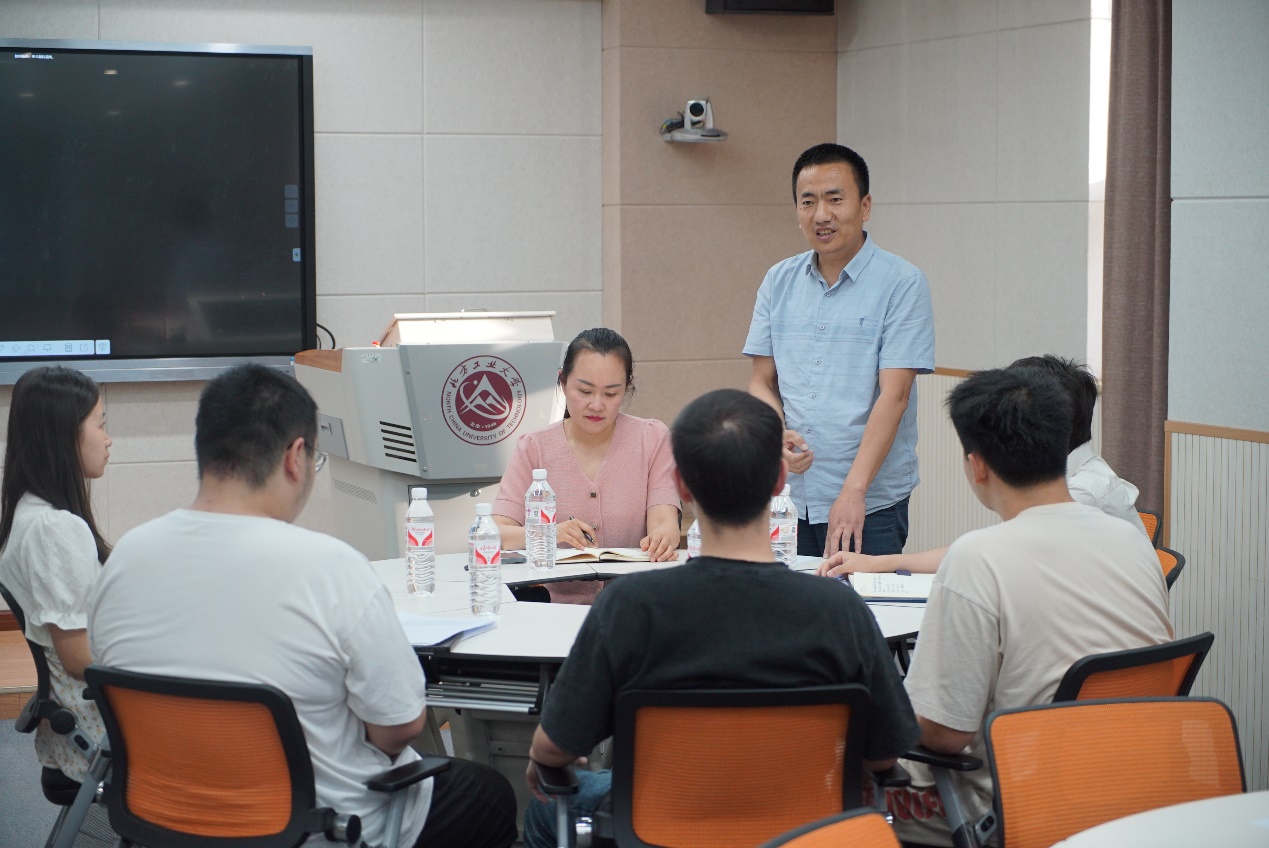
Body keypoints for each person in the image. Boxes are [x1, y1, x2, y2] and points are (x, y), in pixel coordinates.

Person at [89, 365, 516, 848]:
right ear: (295, 457)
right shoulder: (331, 567)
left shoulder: (125, 559)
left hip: (167, 823)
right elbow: (399, 729)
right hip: (314, 829)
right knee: (488, 794)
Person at [520, 389, 920, 848]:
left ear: (682, 486)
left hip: (663, 827)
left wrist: (540, 759)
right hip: (804, 828)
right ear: (779, 481)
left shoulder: (630, 606)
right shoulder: (841, 610)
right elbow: (884, 756)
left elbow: (556, 747)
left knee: (544, 810)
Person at [886, 366, 1172, 846]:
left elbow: (943, 734)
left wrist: (874, 704)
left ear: (977, 466)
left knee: (836, 788)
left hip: (1013, 802)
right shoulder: (1132, 539)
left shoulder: (978, 558)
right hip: (1133, 794)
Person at [745, 142, 934, 560]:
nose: (821, 215)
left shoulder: (902, 283)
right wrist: (775, 433)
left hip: (869, 502)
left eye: (835, 199)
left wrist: (853, 491)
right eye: (808, 201)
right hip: (789, 498)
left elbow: (895, 395)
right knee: (789, 601)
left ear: (865, 206)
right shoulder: (778, 280)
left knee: (861, 602)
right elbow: (760, 382)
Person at [821, 354, 1150, 576]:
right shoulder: (1072, 477)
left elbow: (984, 554)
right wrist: (881, 562)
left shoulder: (1080, 495)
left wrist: (881, 563)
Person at [0, 366, 111, 783]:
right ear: (65, 436)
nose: (108, 439)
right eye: (101, 425)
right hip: (97, 734)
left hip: (74, 727)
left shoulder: (27, 512)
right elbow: (79, 659)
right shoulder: (55, 528)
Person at [493, 327, 680, 561]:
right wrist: (550, 533)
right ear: (563, 382)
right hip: (554, 585)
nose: (596, 405)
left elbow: (665, 522)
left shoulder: (652, 438)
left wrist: (662, 538)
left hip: (632, 583)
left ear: (626, 387)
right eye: (585, 391)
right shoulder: (534, 447)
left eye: (610, 394)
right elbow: (496, 532)